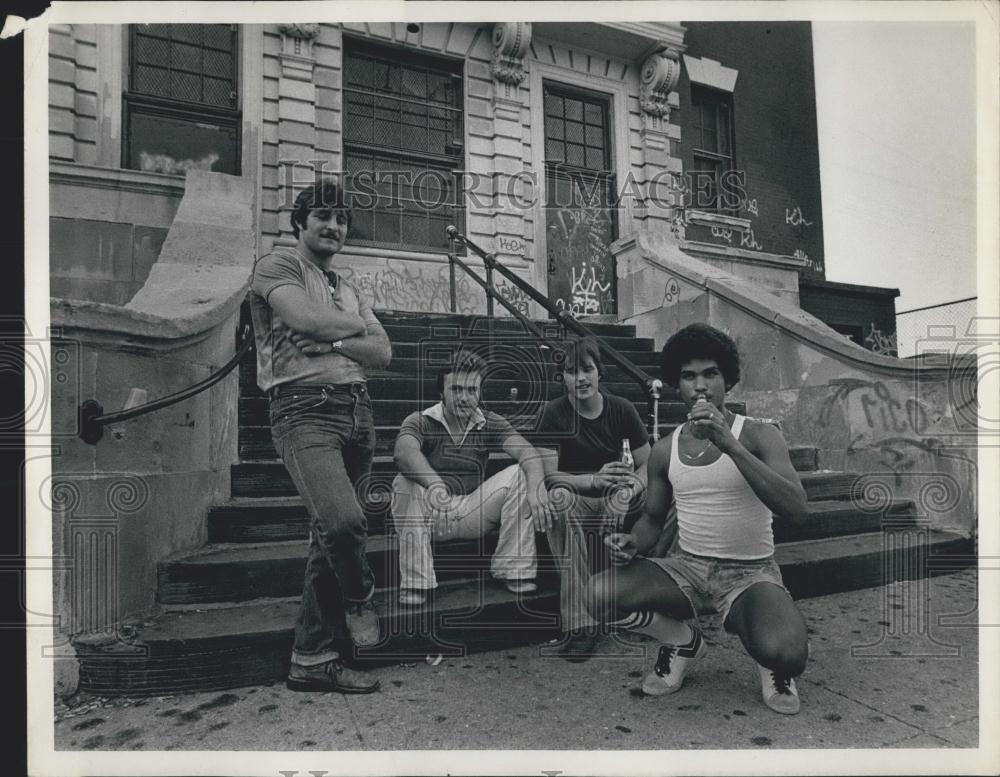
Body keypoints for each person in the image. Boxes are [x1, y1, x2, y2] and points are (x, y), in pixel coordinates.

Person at [587, 323, 810, 714]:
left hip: (750, 573)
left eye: (711, 373)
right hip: (688, 569)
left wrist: (730, 444)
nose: (701, 385)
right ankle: (681, 641)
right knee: (596, 594)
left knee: (787, 654)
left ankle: (766, 658)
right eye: (689, 376)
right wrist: (633, 542)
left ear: (728, 379)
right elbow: (653, 521)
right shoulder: (664, 448)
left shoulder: (759, 435)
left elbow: (797, 508)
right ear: (678, 384)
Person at [249, 177, 391, 694]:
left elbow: (384, 354)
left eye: (341, 219)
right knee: (343, 521)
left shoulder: (347, 284)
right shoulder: (279, 265)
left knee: (324, 539)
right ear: (300, 223)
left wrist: (338, 336)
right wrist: (353, 329)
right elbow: (304, 319)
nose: (334, 226)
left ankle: (311, 660)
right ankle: (360, 597)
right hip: (302, 411)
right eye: (323, 217)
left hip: (358, 412)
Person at [391, 350, 554, 606]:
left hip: (471, 511)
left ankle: (513, 568)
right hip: (429, 514)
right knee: (404, 482)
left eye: (472, 390)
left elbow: (527, 452)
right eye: (456, 389)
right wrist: (434, 484)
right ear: (441, 392)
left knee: (523, 473)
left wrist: (536, 489)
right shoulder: (420, 421)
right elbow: (403, 452)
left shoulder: (489, 421)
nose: (464, 397)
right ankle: (416, 582)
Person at [534, 336, 651, 661]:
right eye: (572, 371)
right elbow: (549, 475)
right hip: (579, 502)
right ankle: (582, 623)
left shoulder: (621, 409)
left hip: (618, 502)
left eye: (587, 369)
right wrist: (592, 480)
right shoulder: (553, 413)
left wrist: (627, 493)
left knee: (668, 493)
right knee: (557, 498)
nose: (581, 378)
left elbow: (649, 464)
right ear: (563, 377)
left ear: (600, 372)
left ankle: (660, 602)